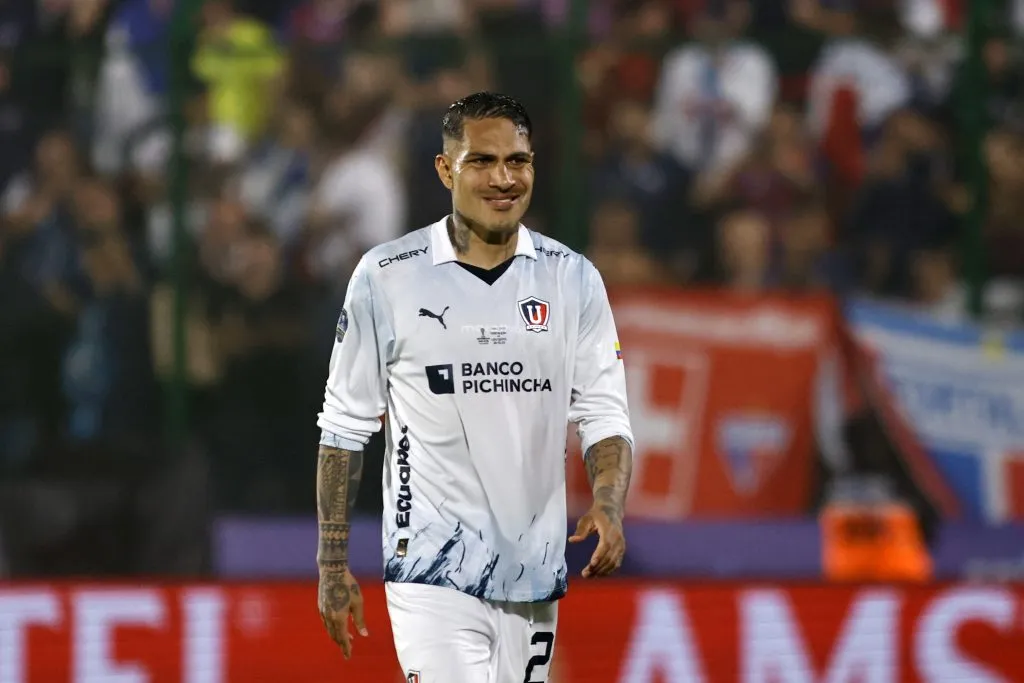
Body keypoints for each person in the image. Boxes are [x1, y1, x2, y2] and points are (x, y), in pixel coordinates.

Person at [314, 91, 634, 682]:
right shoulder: (387, 278)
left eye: (519, 161)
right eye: (482, 162)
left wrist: (609, 503)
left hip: (533, 576)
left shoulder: (573, 280)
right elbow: (344, 428)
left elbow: (605, 415)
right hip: (429, 573)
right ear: (445, 169)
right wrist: (333, 563)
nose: (503, 178)